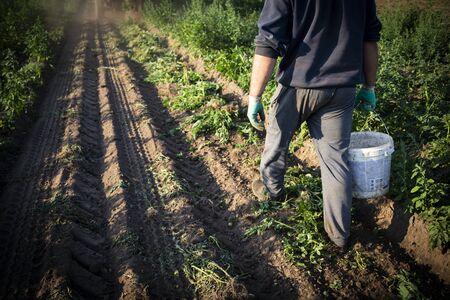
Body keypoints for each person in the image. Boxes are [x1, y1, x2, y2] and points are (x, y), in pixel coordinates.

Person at [247, 0, 382, 251]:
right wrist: (370, 86)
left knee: (277, 141)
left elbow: (267, 42)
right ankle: (339, 236)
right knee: (335, 163)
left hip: (298, 85)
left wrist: (254, 96)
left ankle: (271, 193)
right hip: (342, 89)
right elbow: (369, 38)